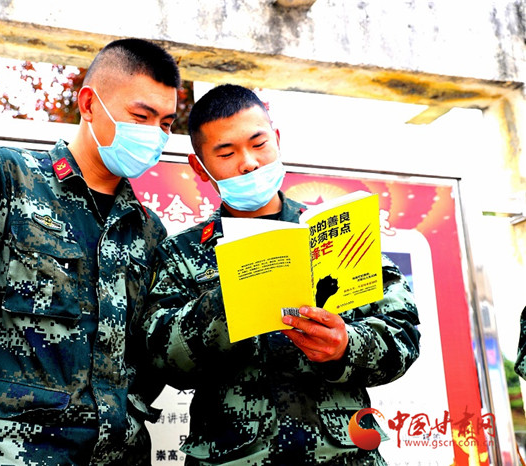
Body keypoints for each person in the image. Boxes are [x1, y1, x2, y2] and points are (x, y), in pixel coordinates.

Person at [0, 38, 180, 465]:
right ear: (88, 104)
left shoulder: (148, 231)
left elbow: (152, 359)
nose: (154, 135)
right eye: (141, 117)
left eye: (165, 123)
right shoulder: (6, 178)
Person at [141, 84, 421, 464]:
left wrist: (344, 346)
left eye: (259, 144)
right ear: (200, 167)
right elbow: (160, 357)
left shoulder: (335, 231)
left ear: (277, 139)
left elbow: (403, 332)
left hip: (344, 456)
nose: (249, 163)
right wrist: (228, 302)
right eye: (226, 153)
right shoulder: (183, 253)